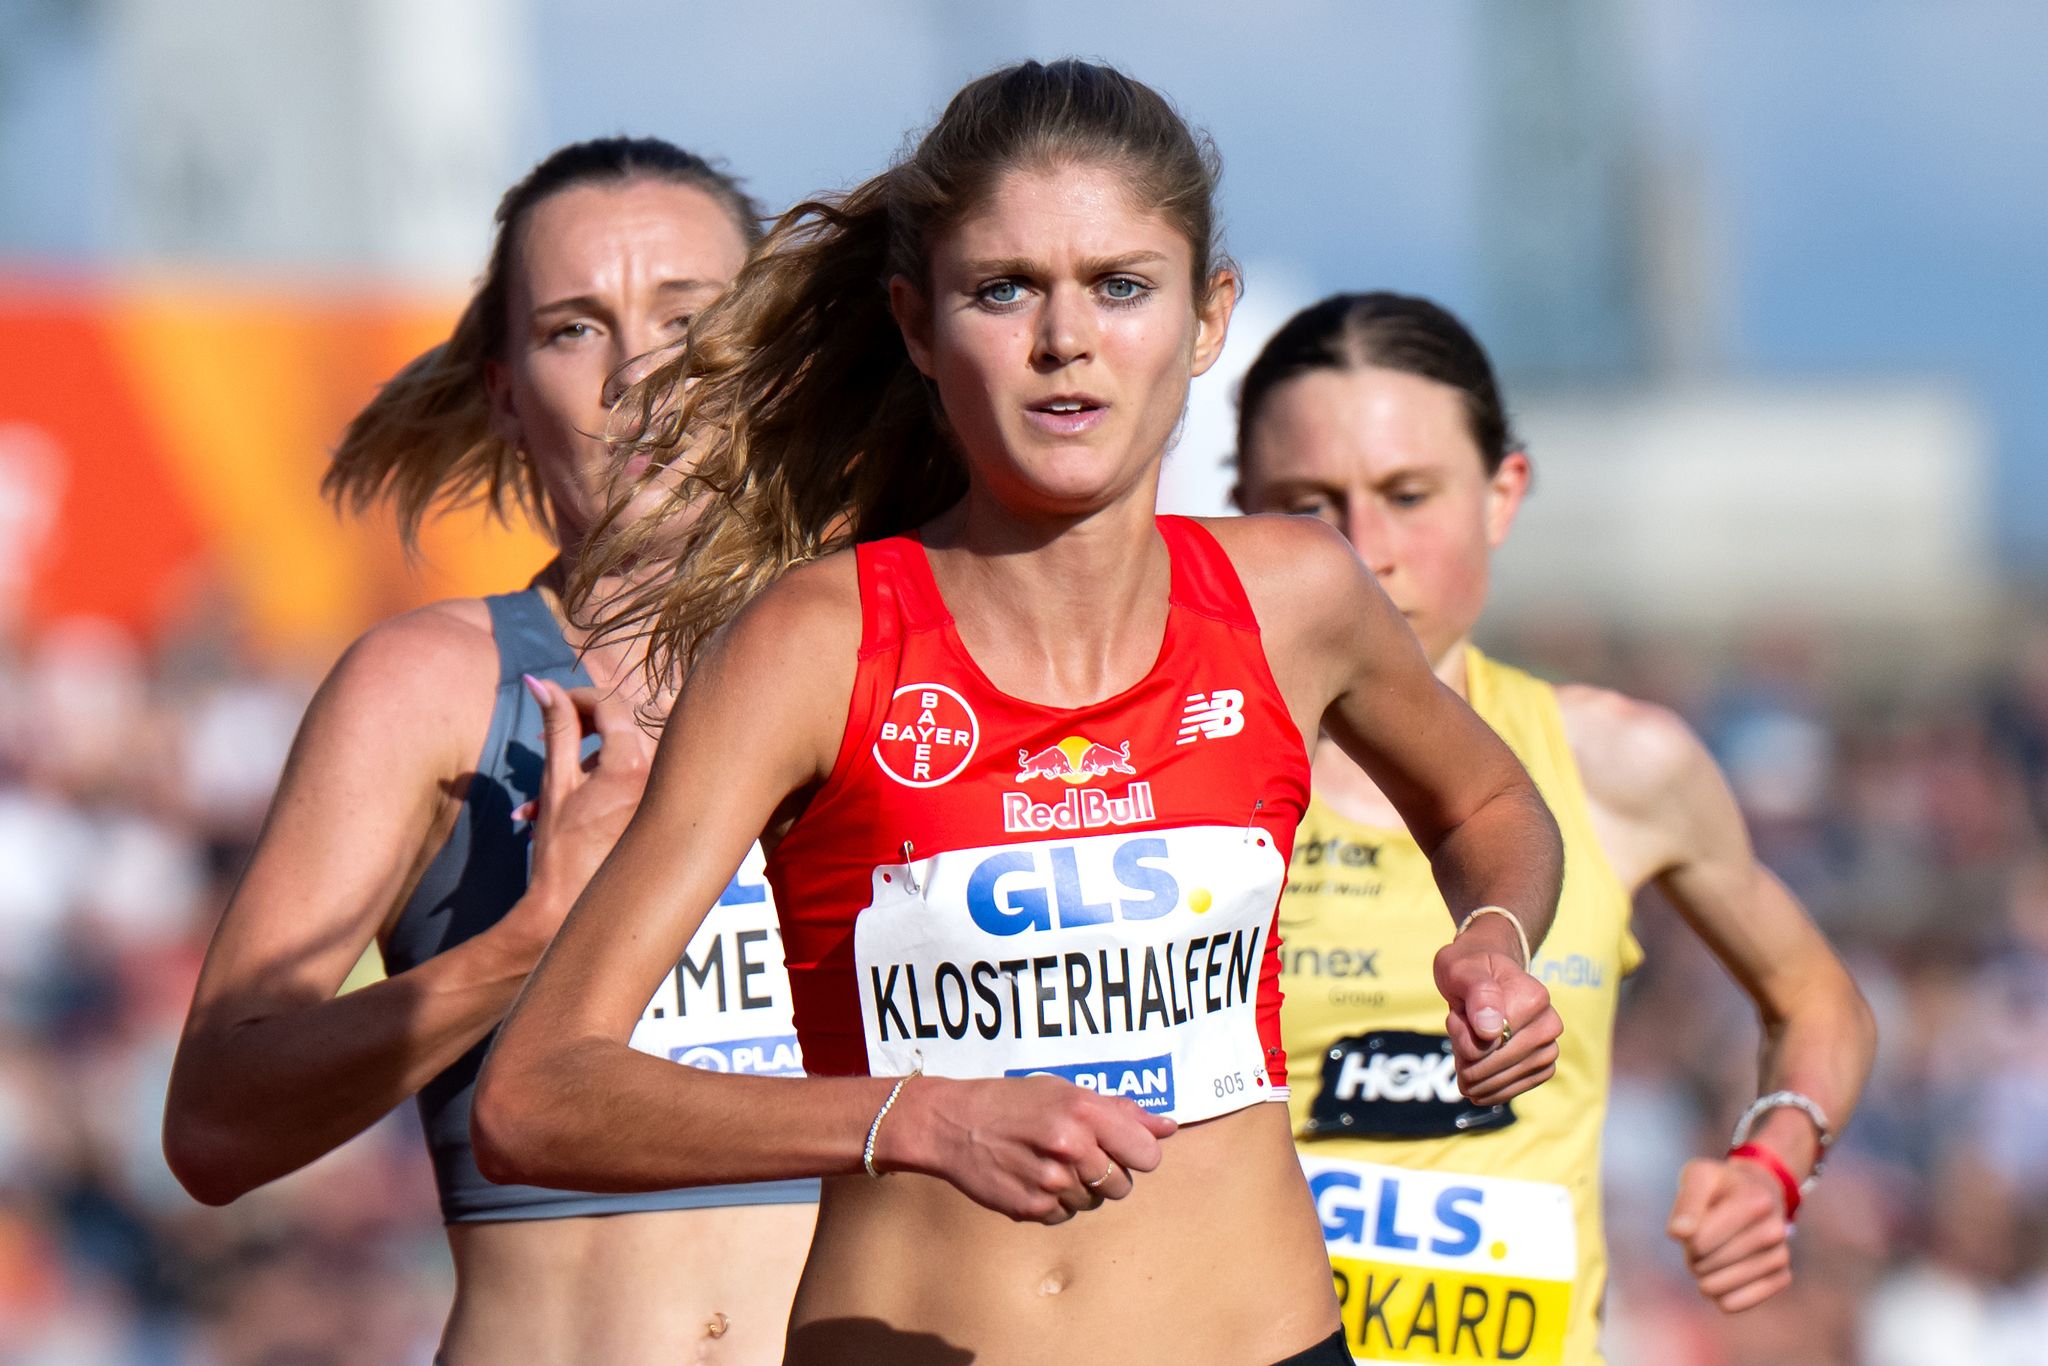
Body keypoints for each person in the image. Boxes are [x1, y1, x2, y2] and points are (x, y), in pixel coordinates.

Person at [473, 63, 1566, 1366]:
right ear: (916, 322)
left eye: (1120, 285)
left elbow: (1489, 802)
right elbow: (535, 1095)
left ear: (1207, 316)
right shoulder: (811, 644)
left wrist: (1494, 936)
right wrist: (908, 1118)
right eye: (1003, 289)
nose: (1065, 339)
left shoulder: (1295, 596)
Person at [162, 137, 818, 1366]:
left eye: (688, 317)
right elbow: (213, 1126)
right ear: (507, 392)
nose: (638, 372)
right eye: (575, 328)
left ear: (773, 357)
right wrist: (524, 944)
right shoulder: (431, 686)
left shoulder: (896, 661)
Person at [1232, 292, 1878, 1364]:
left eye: (1407, 495)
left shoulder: (1617, 764)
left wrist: (1772, 1162)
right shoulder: (1181, 781)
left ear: (1502, 494)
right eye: (1309, 504)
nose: (1364, 550)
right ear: (1242, 517)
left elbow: (1819, 999)